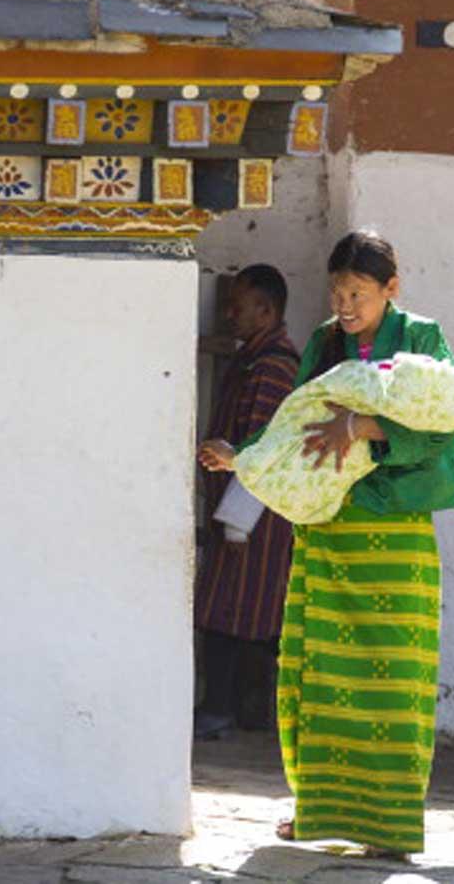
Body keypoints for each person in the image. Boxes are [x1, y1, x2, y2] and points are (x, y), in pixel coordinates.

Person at [199, 230, 454, 859]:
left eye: (360, 294)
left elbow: (441, 426)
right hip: (325, 529)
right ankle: (317, 810)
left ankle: (389, 823)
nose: (346, 305)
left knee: (392, 679)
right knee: (314, 673)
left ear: (391, 289)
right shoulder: (323, 341)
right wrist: (244, 457)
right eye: (339, 292)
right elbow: (293, 421)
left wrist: (363, 424)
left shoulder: (423, 340)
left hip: (394, 533)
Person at [195, 264, 301, 741]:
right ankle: (244, 711)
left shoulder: (275, 367)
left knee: (232, 610)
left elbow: (262, 447)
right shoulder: (251, 360)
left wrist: (238, 521)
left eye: (239, 305)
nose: (229, 314)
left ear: (267, 310)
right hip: (237, 509)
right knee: (239, 609)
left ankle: (227, 711)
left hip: (254, 513)